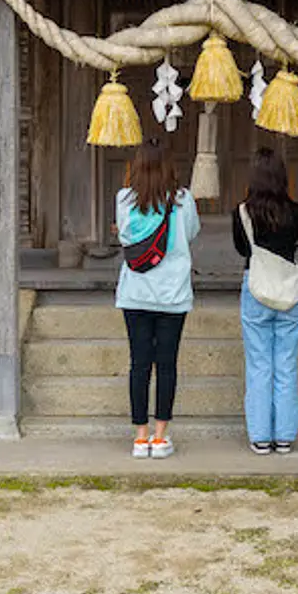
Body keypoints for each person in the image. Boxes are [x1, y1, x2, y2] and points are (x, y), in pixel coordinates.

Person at [115, 139, 197, 459]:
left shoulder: (124, 199)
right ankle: (161, 437)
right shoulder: (183, 201)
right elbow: (191, 234)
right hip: (173, 293)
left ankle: (140, 437)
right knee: (166, 365)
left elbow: (124, 237)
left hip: (135, 292)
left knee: (139, 364)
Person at [231, 147, 298, 454]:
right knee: (285, 364)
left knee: (259, 364)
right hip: (289, 291)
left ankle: (260, 436)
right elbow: (292, 243)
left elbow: (241, 248)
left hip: (256, 288)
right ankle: (285, 435)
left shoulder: (242, 212)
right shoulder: (296, 211)